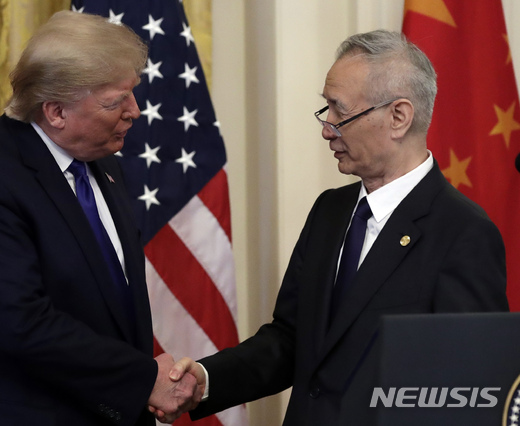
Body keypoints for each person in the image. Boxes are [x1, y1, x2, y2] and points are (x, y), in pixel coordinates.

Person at [163, 29, 509, 425]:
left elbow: (469, 390)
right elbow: (291, 338)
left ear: (398, 117)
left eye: (340, 111)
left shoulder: (463, 233)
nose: (327, 127)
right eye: (326, 110)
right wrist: (206, 380)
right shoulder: (330, 210)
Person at [0, 11, 202, 426]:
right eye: (116, 102)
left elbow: (107, 308)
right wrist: (142, 379)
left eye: (132, 93)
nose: (136, 111)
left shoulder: (104, 165)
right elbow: (19, 323)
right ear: (56, 112)